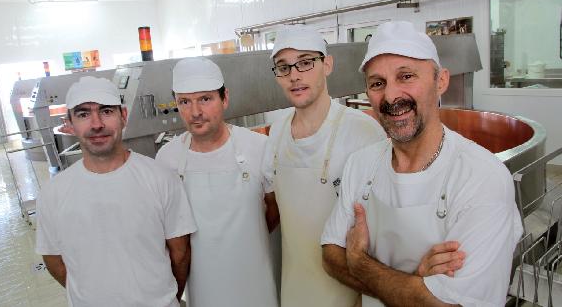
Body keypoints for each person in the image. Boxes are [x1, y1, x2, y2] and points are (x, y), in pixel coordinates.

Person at [321, 21, 523, 306]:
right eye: (378, 83)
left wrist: (358, 262)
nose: (391, 97)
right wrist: (415, 284)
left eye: (406, 76)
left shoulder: (482, 176)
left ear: (440, 81)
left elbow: (453, 304)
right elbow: (330, 254)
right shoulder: (361, 164)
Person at [35, 76, 196, 307]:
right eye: (83, 114)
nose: (96, 123)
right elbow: (53, 260)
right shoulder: (53, 194)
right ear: (69, 123)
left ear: (123, 116)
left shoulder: (161, 179)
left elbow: (180, 255)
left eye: (106, 111)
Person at [261, 25, 386, 307]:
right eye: (283, 67)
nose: (294, 75)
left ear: (327, 64)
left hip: (348, 292)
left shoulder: (363, 132)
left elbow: (381, 231)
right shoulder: (277, 132)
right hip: (295, 287)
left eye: (305, 62)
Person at [156, 57, 279, 307]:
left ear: (225, 98)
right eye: (185, 102)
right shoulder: (168, 158)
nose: (195, 112)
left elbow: (275, 209)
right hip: (202, 286)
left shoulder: (258, 147)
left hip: (255, 278)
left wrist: (245, 239)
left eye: (205, 99)